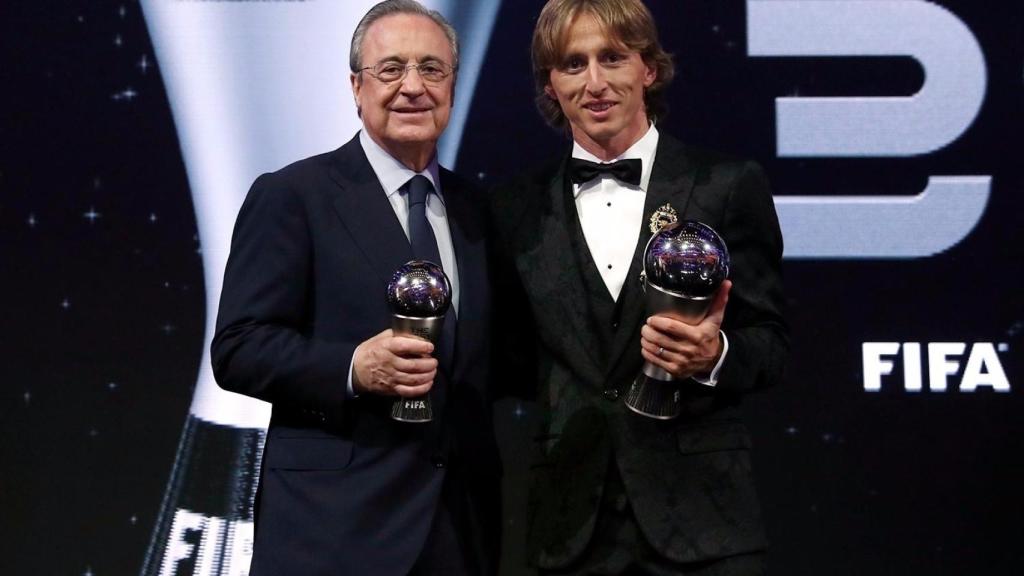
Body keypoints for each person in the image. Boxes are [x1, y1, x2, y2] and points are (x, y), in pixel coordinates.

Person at [490, 0, 788, 573]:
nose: (594, 82)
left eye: (613, 58)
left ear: (648, 68)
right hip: (568, 528)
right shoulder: (512, 210)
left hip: (703, 525)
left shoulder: (725, 186)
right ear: (550, 84)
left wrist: (714, 355)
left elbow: (771, 344)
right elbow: (508, 360)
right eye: (573, 64)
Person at [211, 2, 499, 574]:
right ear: (356, 88)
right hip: (332, 529)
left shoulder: (478, 210)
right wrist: (352, 368)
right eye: (391, 69)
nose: (412, 87)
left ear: (452, 85)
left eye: (431, 69)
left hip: (457, 534)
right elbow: (238, 347)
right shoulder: (293, 195)